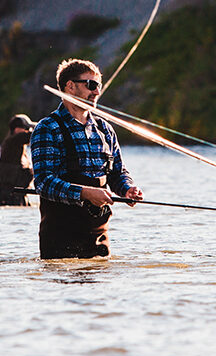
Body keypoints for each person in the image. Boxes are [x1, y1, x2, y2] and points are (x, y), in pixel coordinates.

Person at [30, 58, 143, 259]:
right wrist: (85, 193)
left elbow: (118, 172)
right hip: (60, 239)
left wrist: (127, 189)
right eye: (90, 85)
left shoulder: (105, 129)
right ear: (70, 87)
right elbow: (43, 183)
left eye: (98, 86)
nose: (97, 92)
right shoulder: (47, 128)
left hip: (100, 237)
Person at [0, 114, 36, 206]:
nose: (28, 130)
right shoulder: (14, 140)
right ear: (17, 129)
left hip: (15, 194)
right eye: (26, 128)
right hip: (10, 196)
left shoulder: (14, 143)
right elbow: (37, 134)